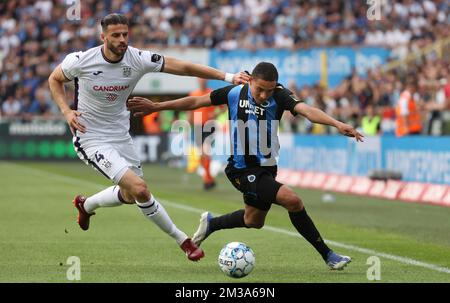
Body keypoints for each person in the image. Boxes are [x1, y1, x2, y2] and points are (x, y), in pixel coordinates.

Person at [48, 13, 249, 262]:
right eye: (115, 35)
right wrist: (66, 111)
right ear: (103, 37)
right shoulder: (80, 60)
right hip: (91, 137)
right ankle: (184, 240)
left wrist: (228, 77)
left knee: (131, 195)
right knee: (141, 189)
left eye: (125, 34)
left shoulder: (137, 58)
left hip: (120, 135)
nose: (122, 40)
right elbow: (55, 79)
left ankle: (86, 205)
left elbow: (184, 67)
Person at [127, 62, 364, 270]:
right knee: (293, 201)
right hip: (242, 170)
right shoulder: (234, 92)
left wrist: (335, 123)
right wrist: (158, 107)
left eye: (268, 91)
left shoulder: (280, 96)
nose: (263, 95)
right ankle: (328, 255)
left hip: (268, 167)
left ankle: (212, 223)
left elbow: (306, 111)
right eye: (260, 89)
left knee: (254, 220)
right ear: (250, 80)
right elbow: (197, 101)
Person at [189, 78, 216, 190]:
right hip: (197, 126)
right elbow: (190, 109)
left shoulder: (211, 93)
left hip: (209, 126)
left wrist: (213, 114)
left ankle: (207, 179)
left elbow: (222, 108)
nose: (202, 82)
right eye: (200, 80)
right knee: (201, 154)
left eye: (204, 80)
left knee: (205, 151)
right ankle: (208, 178)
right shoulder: (194, 94)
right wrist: (189, 122)